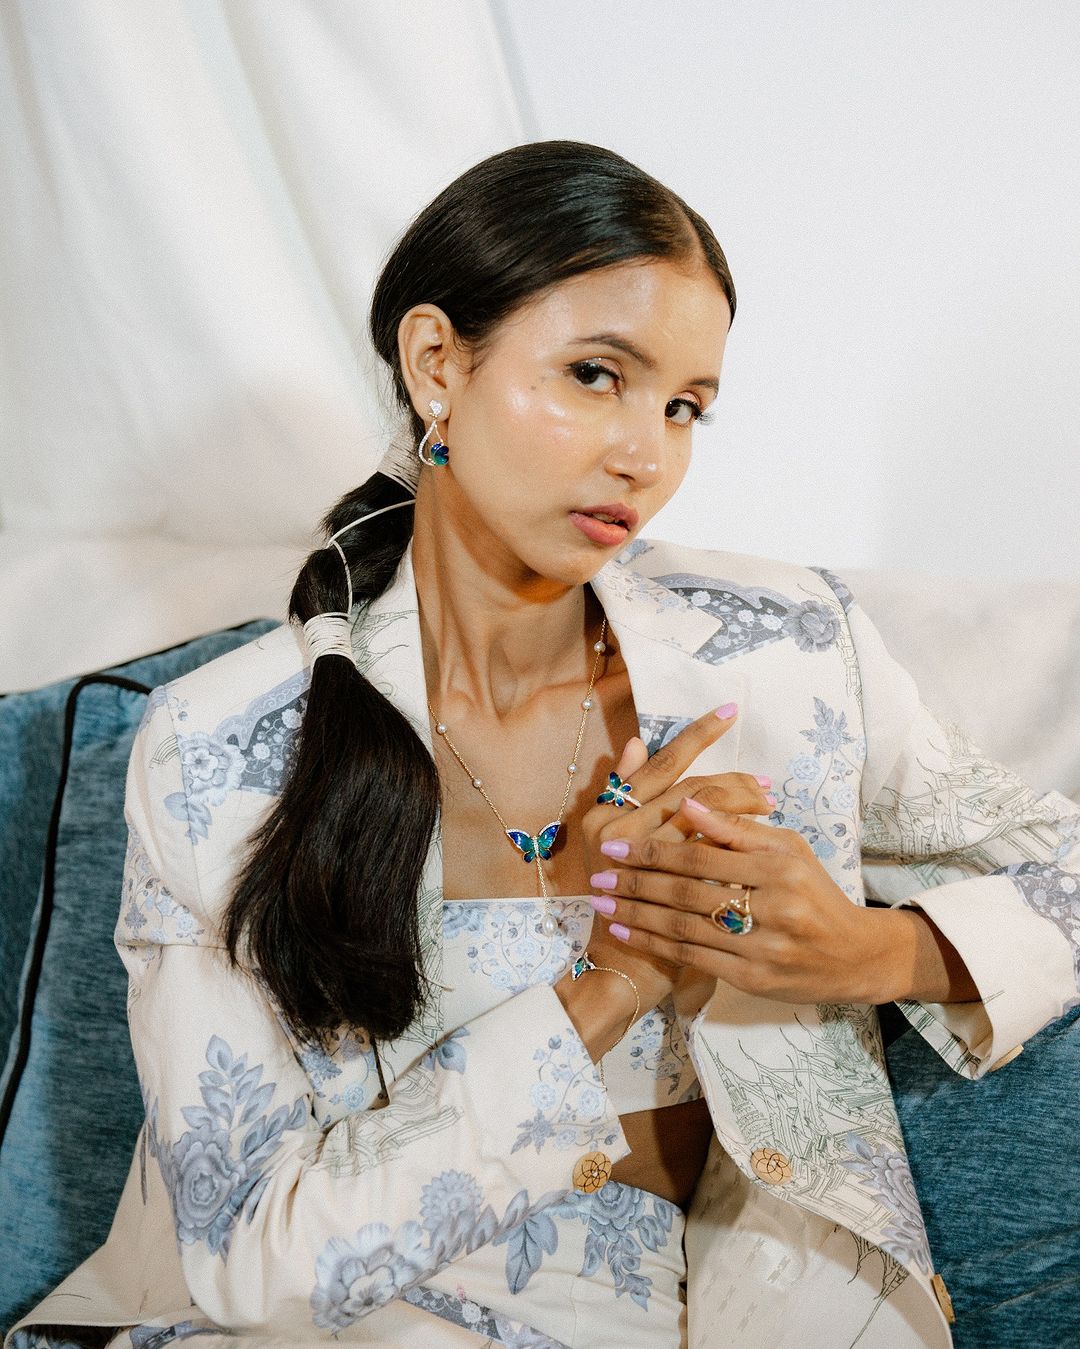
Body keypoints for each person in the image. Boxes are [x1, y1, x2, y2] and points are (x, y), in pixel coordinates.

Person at [9, 140, 1079, 1349]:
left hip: (757, 1299)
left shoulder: (788, 656)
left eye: (685, 407)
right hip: (375, 1316)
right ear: (436, 365)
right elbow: (250, 1252)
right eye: (592, 375)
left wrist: (864, 950)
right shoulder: (221, 750)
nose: (646, 454)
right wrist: (611, 986)